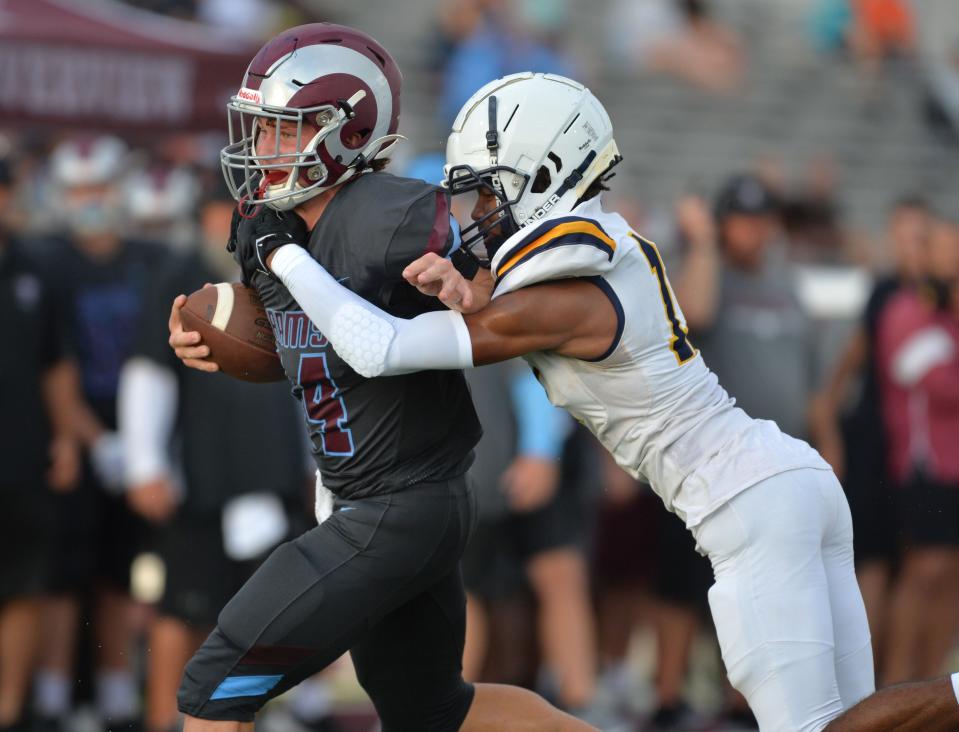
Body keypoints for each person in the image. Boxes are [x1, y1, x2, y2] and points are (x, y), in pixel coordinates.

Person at [200, 71, 959, 732]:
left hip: (747, 503)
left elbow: (380, 349)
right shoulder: (595, 246)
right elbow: (510, 300)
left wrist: (280, 254)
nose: (478, 209)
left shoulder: (565, 289)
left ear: (543, 171)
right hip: (779, 479)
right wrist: (467, 290)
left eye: (490, 188)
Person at [167, 24, 594, 732]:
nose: (259, 148)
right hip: (386, 502)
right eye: (258, 128)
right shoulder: (263, 225)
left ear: (343, 132)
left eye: (281, 129)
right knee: (433, 711)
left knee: (215, 685)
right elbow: (308, 345)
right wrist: (199, 336)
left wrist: (464, 282)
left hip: (397, 506)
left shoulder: (387, 214)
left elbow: (479, 285)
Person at [117, 186, 311, 732]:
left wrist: (314, 462)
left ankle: (264, 715)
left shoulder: (287, 272)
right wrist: (144, 464)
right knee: (184, 609)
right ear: (204, 214)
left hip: (270, 471)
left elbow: (307, 371)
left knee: (269, 614)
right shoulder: (178, 273)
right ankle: (164, 719)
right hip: (200, 475)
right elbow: (147, 372)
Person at [35, 136, 166, 731]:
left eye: (99, 187)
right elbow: (51, 368)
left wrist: (140, 446)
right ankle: (56, 694)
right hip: (73, 441)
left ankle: (115, 689)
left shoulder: (147, 259)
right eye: (79, 190)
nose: (90, 200)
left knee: (121, 572)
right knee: (64, 577)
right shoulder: (49, 260)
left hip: (140, 440)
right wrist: (92, 439)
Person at [0, 156, 80, 732]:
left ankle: (8, 709)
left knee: (23, 588)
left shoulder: (36, 270)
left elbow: (56, 367)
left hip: (23, 457)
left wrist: (67, 441)